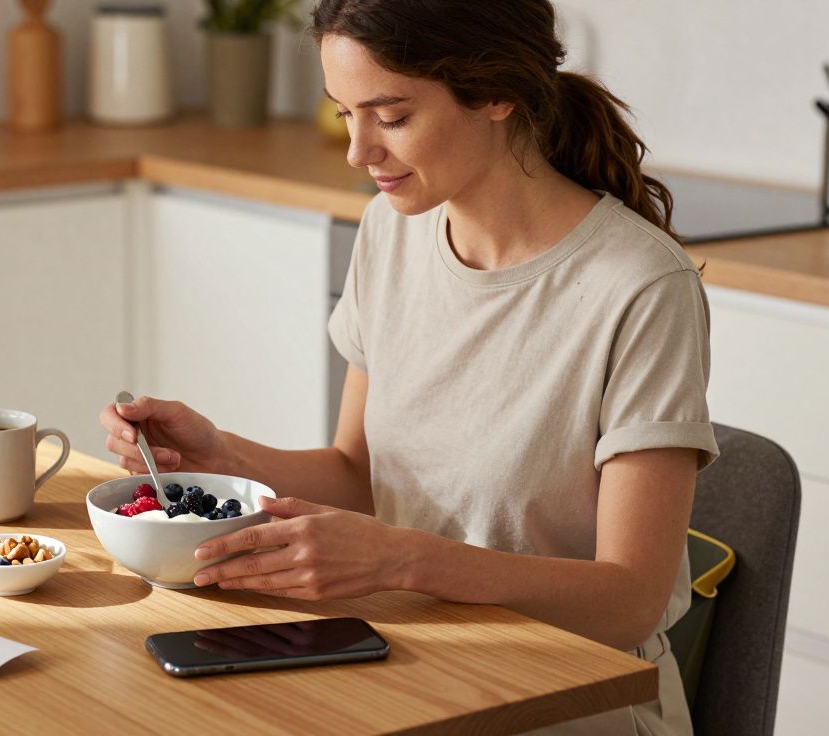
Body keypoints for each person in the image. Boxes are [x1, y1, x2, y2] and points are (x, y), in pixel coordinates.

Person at [99, 1, 716, 733]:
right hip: (414, 661)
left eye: (390, 117)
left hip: (578, 695)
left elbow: (630, 601)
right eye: (345, 113)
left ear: (495, 94)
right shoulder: (390, 232)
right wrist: (221, 455)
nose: (360, 151)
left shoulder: (639, 286)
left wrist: (403, 563)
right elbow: (359, 474)